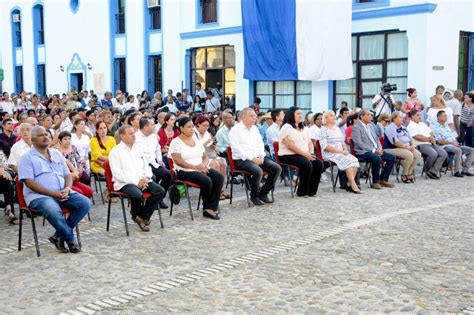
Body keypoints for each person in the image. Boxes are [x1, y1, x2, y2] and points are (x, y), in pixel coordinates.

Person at [18, 126, 90, 253]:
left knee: (84, 203)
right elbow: (29, 182)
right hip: (39, 197)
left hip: (62, 192)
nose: (45, 136)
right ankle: (70, 239)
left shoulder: (56, 153)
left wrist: (67, 188)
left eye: (46, 134)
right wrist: (53, 194)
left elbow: (67, 174)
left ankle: (58, 236)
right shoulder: (26, 158)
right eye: (41, 135)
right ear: (33, 139)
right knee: (53, 209)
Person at [109, 125, 164, 231]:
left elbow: (146, 166)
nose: (134, 136)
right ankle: (135, 215)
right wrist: (136, 182)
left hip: (142, 179)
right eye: (130, 134)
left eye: (134, 133)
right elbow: (117, 174)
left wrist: (146, 178)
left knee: (159, 191)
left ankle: (142, 216)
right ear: (122, 136)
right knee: (138, 195)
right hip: (124, 182)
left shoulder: (138, 148)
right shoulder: (116, 151)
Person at [169, 117, 224, 220]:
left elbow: (205, 156)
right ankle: (207, 208)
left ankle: (211, 206)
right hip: (184, 170)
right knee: (206, 180)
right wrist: (195, 167)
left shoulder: (195, 140)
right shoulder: (176, 142)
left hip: (200, 167)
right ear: (181, 128)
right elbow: (177, 160)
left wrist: (203, 165)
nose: (192, 129)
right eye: (189, 127)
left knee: (219, 177)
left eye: (192, 127)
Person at [229, 108, 282, 206]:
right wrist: (252, 159)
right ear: (243, 117)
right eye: (251, 116)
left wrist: (261, 156)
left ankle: (264, 193)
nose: (254, 118)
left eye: (255, 116)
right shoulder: (235, 129)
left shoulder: (255, 129)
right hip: (242, 159)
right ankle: (254, 195)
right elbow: (236, 148)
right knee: (258, 171)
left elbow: (260, 144)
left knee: (277, 168)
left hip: (258, 157)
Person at [278, 107, 324, 197]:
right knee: (306, 163)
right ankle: (302, 191)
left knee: (319, 163)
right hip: (288, 155)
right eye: (298, 114)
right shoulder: (287, 127)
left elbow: (309, 142)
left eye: (301, 113)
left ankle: (312, 191)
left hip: (303, 154)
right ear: (292, 115)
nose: (300, 115)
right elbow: (289, 145)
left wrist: (310, 153)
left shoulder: (303, 127)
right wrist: (305, 155)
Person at [352, 110, 395, 189]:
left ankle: (383, 179)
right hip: (363, 152)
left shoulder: (371, 126)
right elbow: (359, 143)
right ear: (362, 116)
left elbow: (376, 139)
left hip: (375, 150)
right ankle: (375, 182)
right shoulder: (356, 127)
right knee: (376, 158)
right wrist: (373, 150)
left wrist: (379, 149)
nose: (371, 116)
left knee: (391, 157)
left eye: (371, 115)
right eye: (368, 115)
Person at [320, 111, 361, 194]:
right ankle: (353, 185)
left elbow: (343, 142)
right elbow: (325, 147)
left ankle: (349, 183)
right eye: (331, 115)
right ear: (326, 118)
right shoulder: (323, 130)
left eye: (334, 115)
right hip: (330, 153)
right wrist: (340, 151)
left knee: (355, 160)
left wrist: (345, 150)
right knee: (348, 161)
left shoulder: (337, 129)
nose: (334, 117)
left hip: (341, 152)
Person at [135, 117, 171, 209]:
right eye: (152, 124)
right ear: (146, 127)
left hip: (153, 163)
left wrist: (159, 160)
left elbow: (158, 149)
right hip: (142, 166)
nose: (154, 126)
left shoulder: (153, 136)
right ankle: (153, 201)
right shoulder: (135, 137)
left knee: (168, 175)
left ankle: (160, 199)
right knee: (153, 177)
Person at [194, 115, 229, 200]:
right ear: (198, 124)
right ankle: (215, 191)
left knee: (223, 162)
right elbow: (194, 149)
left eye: (207, 125)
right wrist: (206, 143)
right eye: (204, 125)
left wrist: (213, 145)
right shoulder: (193, 134)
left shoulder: (207, 134)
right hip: (198, 158)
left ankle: (221, 189)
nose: (206, 127)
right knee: (216, 164)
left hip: (209, 155)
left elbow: (210, 146)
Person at [407, 109, 447, 179]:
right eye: (418, 115)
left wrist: (432, 137)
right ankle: (427, 169)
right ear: (412, 116)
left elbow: (431, 132)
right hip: (420, 145)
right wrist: (428, 139)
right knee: (433, 154)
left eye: (420, 115)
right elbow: (417, 136)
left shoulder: (423, 124)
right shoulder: (410, 126)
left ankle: (433, 171)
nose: (420, 117)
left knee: (443, 153)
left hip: (430, 143)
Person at [431, 110, 473, 177]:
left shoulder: (446, 126)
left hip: (453, 144)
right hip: (444, 146)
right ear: (439, 117)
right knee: (458, 150)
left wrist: (457, 143)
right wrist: (453, 144)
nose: (446, 117)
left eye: (446, 116)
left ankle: (465, 170)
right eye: (444, 116)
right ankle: (457, 171)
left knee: (471, 150)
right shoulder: (435, 127)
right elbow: (439, 141)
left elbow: (452, 138)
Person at [383, 112, 422, 183]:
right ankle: (404, 174)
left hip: (405, 147)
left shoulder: (403, 127)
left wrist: (412, 145)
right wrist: (407, 148)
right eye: (400, 117)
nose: (402, 119)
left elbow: (410, 139)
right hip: (391, 148)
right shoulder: (390, 128)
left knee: (418, 155)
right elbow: (395, 142)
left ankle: (409, 173)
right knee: (409, 155)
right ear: (394, 119)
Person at [58, 131, 93, 199]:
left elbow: (79, 159)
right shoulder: (58, 152)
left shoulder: (73, 148)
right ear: (60, 141)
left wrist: (81, 167)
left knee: (86, 178)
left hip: (78, 169)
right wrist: (74, 172)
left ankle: (85, 197)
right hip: (68, 174)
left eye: (69, 139)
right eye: (65, 139)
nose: (68, 141)